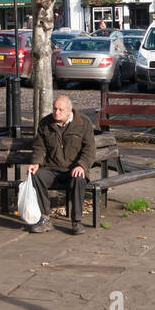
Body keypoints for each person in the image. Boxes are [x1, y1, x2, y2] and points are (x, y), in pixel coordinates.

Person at [27, 93, 96, 235]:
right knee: (36, 175)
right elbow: (40, 147)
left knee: (79, 178)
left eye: (60, 110)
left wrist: (82, 165)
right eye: (54, 109)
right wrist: (36, 163)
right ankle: (44, 218)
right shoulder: (45, 123)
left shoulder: (83, 123)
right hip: (52, 169)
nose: (56, 112)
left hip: (73, 169)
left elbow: (89, 149)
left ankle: (76, 222)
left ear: (69, 111)